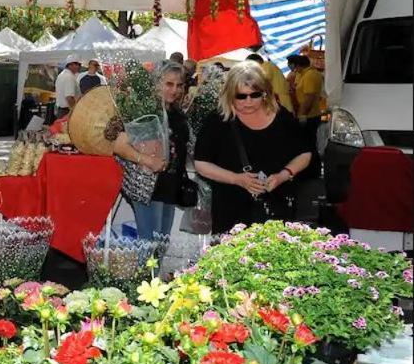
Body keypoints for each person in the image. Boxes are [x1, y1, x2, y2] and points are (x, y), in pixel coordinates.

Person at [194, 62, 313, 234]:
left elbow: (305, 153)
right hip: (231, 209)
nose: (248, 102)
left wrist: (282, 175)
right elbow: (201, 163)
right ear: (229, 95)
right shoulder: (218, 121)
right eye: (241, 96)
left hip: (276, 207)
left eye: (255, 95)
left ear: (265, 93)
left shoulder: (281, 117)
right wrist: (237, 179)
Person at [110, 62, 190, 239]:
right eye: (169, 84)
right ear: (156, 83)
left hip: (171, 185)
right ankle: (145, 269)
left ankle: (153, 268)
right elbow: (119, 145)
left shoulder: (176, 112)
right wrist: (147, 160)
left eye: (179, 85)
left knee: (161, 243)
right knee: (149, 245)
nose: (174, 90)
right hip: (149, 187)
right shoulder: (144, 110)